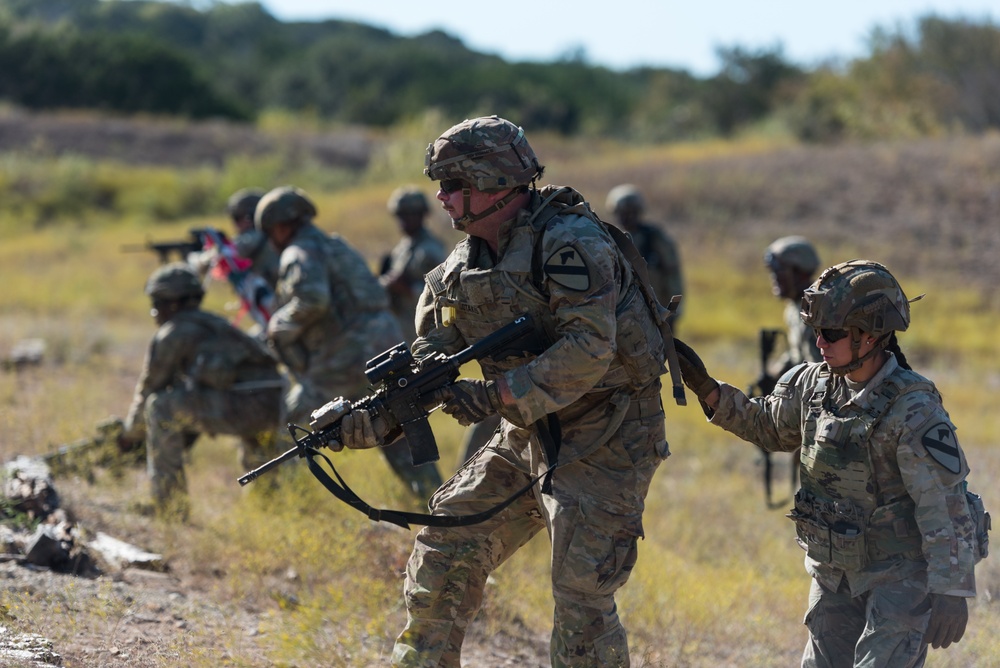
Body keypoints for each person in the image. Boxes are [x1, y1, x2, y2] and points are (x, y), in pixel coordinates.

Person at [329, 116, 673, 666]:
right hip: (527, 433)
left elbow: (589, 349)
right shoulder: (455, 273)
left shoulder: (569, 245)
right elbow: (429, 364)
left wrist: (494, 397)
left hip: (608, 433)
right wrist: (376, 418)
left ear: (491, 184)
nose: (440, 198)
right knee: (445, 549)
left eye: (452, 185)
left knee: (581, 591)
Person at [674, 260, 983, 667]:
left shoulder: (913, 409)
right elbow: (770, 428)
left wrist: (951, 590)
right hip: (834, 574)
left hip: (899, 578)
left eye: (832, 333)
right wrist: (709, 392)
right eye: (816, 331)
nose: (820, 342)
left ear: (871, 336)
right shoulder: (811, 384)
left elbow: (944, 503)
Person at [255, 185, 443, 500]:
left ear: (281, 227)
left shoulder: (298, 252)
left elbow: (313, 300)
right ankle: (439, 504)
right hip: (387, 349)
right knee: (396, 424)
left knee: (294, 424)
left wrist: (276, 326)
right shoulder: (337, 246)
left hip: (345, 354)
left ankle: (277, 501)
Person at [120, 263, 287, 514]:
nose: (154, 310)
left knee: (160, 407)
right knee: (258, 448)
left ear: (172, 303)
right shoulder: (215, 323)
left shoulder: (172, 334)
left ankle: (168, 506)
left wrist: (129, 436)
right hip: (273, 404)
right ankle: (269, 506)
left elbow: (148, 391)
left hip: (243, 405)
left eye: (157, 302)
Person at [606, 183, 684, 326]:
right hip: (624, 315)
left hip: (657, 312)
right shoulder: (609, 239)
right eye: (622, 213)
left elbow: (672, 273)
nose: (627, 217)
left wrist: (674, 310)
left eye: (631, 212)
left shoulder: (655, 238)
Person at [380, 186, 448, 344]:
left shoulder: (431, 250)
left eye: (409, 214)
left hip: (426, 332)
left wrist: (407, 289)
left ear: (421, 215)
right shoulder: (402, 248)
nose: (403, 220)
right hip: (403, 327)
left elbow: (443, 294)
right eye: (400, 215)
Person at [763, 235, 823, 376]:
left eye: (779, 270)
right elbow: (798, 353)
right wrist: (778, 372)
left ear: (800, 273)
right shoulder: (794, 308)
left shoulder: (817, 311)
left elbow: (822, 369)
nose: (774, 277)